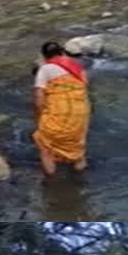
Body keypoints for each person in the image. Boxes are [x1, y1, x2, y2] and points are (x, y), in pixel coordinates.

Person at [33, 41, 91, 176]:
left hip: (60, 116)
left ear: (45, 56)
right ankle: (80, 178)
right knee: (77, 147)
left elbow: (39, 99)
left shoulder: (45, 69)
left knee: (43, 143)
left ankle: (52, 182)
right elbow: (82, 92)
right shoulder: (79, 69)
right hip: (81, 114)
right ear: (62, 52)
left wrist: (39, 119)